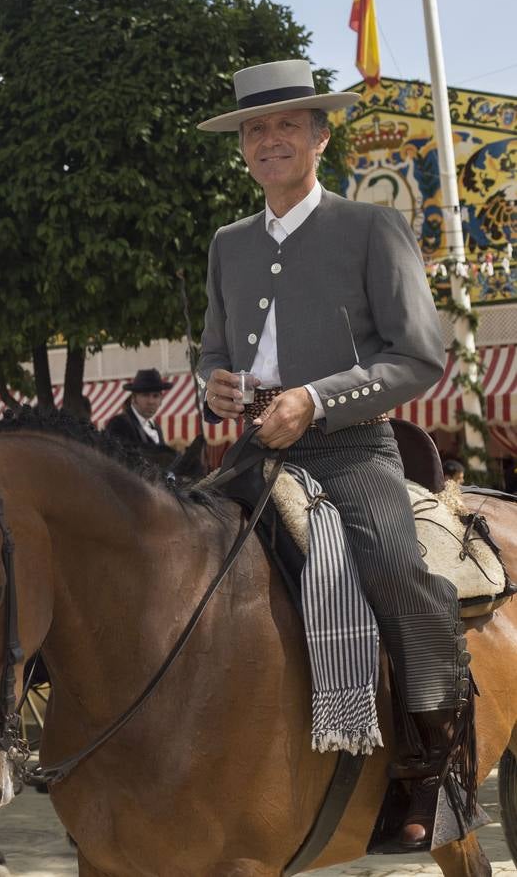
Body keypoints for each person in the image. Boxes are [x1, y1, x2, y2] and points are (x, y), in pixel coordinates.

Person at [196, 59, 468, 850]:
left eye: (286, 125)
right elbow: (211, 347)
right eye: (254, 130)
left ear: (321, 135)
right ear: (242, 148)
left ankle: (432, 774)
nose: (269, 140)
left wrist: (313, 399)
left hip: (350, 449)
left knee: (398, 572)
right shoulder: (229, 243)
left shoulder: (370, 226)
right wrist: (212, 383)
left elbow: (421, 355)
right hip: (250, 452)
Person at [104, 368, 172, 457]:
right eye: (145, 395)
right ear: (134, 398)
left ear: (161, 400)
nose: (151, 401)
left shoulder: (156, 427)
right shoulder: (119, 423)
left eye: (155, 396)